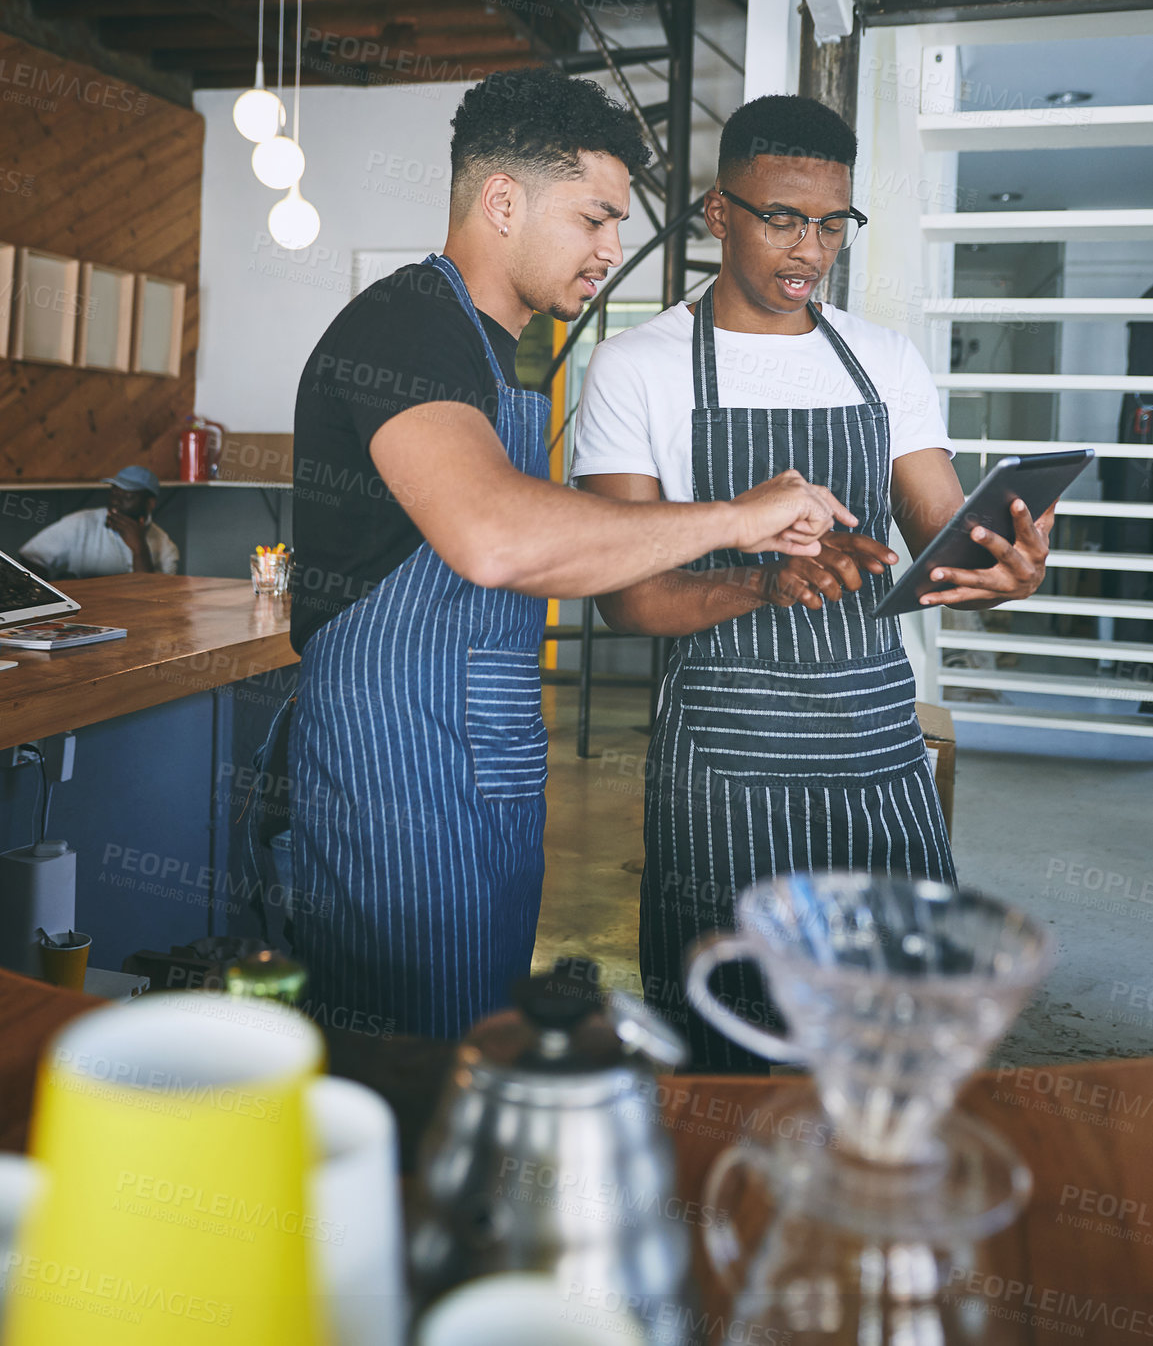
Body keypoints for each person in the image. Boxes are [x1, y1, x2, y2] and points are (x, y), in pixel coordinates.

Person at [288, 70, 853, 1039]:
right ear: (502, 200)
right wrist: (731, 515)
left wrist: (754, 576)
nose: (611, 249)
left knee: (481, 1043)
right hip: (398, 789)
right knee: (412, 1068)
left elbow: (573, 559)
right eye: (594, 218)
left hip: (487, 776)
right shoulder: (407, 326)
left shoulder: (498, 354)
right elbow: (497, 536)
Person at [572, 94, 1055, 1068]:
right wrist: (759, 586)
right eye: (781, 218)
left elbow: (940, 528)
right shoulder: (638, 369)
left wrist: (1002, 569)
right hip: (721, 762)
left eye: (832, 223)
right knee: (729, 1033)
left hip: (875, 748)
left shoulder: (882, 361)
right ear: (718, 212)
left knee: (897, 1019)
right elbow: (622, 594)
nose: (809, 249)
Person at [19, 465, 178, 579]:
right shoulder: (81, 523)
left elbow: (152, 599)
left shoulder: (166, 548)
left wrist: (139, 549)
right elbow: (30, 556)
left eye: (127, 496)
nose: (116, 501)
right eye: (114, 492)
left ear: (150, 504)